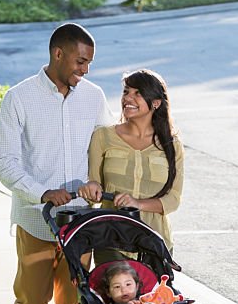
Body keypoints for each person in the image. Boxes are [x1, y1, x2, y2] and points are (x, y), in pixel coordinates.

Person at [0, 23, 113, 304]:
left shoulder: (93, 97)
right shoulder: (19, 98)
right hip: (36, 221)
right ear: (57, 54)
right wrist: (42, 192)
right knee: (32, 300)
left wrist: (98, 184)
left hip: (80, 223)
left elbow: (105, 150)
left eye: (90, 63)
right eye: (81, 61)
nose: (86, 70)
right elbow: (4, 161)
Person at [78, 69, 183, 264]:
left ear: (156, 103)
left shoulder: (171, 144)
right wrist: (91, 188)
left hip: (155, 240)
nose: (128, 98)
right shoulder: (103, 137)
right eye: (126, 92)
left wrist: (138, 204)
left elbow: (174, 199)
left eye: (137, 93)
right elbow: (94, 183)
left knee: (153, 295)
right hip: (112, 240)